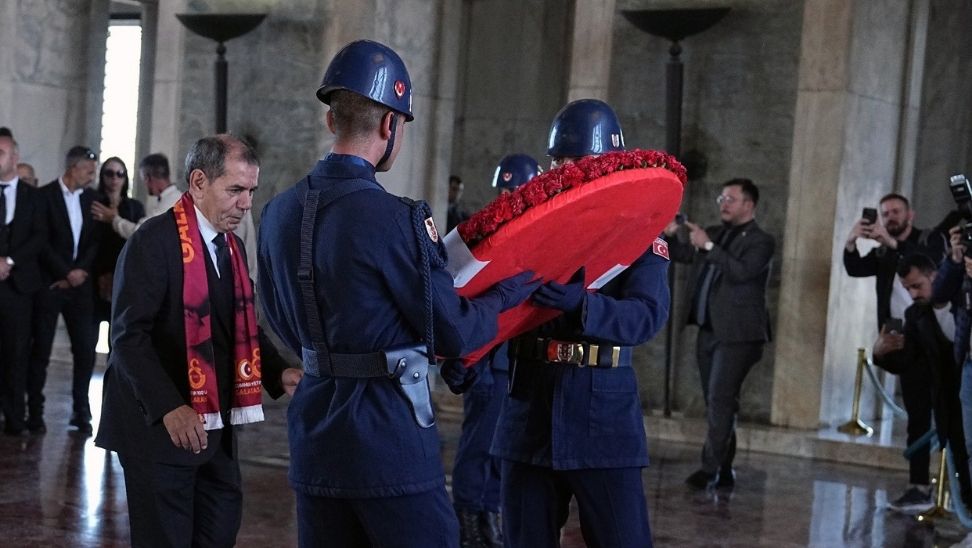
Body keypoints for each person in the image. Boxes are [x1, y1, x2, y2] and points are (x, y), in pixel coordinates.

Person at [257, 39, 539, 547]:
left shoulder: (277, 212)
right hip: (387, 438)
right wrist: (507, 294)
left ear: (331, 119)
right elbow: (452, 330)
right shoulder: (396, 218)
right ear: (391, 125)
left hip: (314, 435)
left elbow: (278, 316)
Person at [94, 134, 302, 547]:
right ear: (199, 182)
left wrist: (279, 372)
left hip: (215, 425)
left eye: (251, 191)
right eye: (236, 190)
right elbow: (129, 338)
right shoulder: (153, 241)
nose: (246, 204)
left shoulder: (233, 247)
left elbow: (241, 326)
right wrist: (169, 407)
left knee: (219, 532)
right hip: (158, 427)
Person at [489, 99, 669, 547]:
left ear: (607, 164)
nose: (564, 171)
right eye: (557, 161)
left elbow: (646, 316)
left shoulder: (638, 235)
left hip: (602, 416)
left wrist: (584, 307)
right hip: (529, 408)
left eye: (577, 160)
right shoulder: (527, 225)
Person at [443, 153, 540, 548]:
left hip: (517, 357)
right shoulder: (484, 232)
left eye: (514, 190)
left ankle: (490, 513)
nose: (507, 197)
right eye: (503, 190)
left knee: (504, 447)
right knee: (479, 442)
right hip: (485, 355)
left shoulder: (539, 236)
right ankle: (467, 515)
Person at [663, 178, 775, 490]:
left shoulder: (761, 241)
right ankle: (724, 469)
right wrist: (669, 235)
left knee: (720, 399)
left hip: (739, 335)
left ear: (749, 205)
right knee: (718, 404)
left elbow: (742, 272)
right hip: (709, 330)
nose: (723, 204)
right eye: (721, 198)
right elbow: (682, 255)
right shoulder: (714, 233)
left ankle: (709, 470)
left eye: (730, 199)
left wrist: (709, 246)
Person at [872, 252, 970, 513]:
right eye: (908, 289)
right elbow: (908, 360)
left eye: (917, 286)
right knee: (960, 453)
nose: (913, 294)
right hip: (948, 397)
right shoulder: (915, 315)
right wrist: (880, 353)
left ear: (935, 277)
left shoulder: (965, 301)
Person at [93, 152, 260, 279]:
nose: (245, 202)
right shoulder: (172, 202)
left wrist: (114, 220)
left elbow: (142, 232)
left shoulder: (175, 204)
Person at [31, 145, 102, 434]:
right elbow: (41, 241)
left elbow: (95, 240)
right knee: (41, 349)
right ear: (73, 168)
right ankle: (35, 412)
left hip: (81, 287)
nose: (92, 176)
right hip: (50, 284)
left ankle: (81, 411)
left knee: (85, 349)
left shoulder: (92, 199)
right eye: (89, 171)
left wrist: (79, 272)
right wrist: (64, 272)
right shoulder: (43, 196)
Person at [0, 130, 46, 435]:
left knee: (16, 355)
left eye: (1, 153)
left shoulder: (33, 197)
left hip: (19, 288)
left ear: (15, 157)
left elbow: (40, 236)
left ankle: (15, 419)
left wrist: (9, 261)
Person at [844, 193, 947, 329]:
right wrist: (850, 241)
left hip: (930, 327)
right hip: (894, 328)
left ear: (910, 215)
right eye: (885, 214)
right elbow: (855, 269)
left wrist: (893, 243)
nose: (891, 217)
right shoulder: (884, 251)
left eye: (896, 212)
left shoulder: (930, 238)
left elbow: (931, 260)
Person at [91, 157, 145, 352]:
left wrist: (114, 219)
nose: (115, 178)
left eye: (120, 174)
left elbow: (138, 241)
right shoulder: (93, 203)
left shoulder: (134, 207)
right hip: (95, 275)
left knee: (118, 340)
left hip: (124, 277)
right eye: (109, 173)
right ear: (102, 176)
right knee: (88, 340)